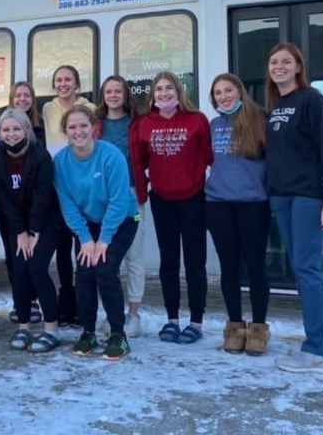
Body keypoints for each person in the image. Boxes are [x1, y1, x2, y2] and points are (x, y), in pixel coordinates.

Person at [265, 43, 323, 374]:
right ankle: (312, 343)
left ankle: (316, 351)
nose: (279, 66)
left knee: (308, 270)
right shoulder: (278, 104)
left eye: (286, 61)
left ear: (299, 67)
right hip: (282, 197)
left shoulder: (312, 100)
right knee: (301, 269)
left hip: (309, 197)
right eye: (274, 62)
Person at [130, 71, 212, 345]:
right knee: (168, 262)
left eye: (169, 88)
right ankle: (172, 319)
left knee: (194, 261)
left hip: (193, 199)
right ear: (153, 94)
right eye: (159, 89)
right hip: (162, 199)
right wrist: (142, 194)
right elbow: (138, 163)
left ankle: (196, 321)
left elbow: (208, 156)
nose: (164, 93)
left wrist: (198, 181)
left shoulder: (197, 120)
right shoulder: (144, 124)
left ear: (179, 91)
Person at [53, 104, 139, 360]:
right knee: (84, 272)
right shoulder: (61, 161)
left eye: (83, 125)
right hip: (89, 222)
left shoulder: (111, 155)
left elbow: (119, 200)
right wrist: (85, 238)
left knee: (104, 268)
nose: (78, 131)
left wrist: (103, 240)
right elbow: (67, 204)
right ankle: (88, 331)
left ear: (93, 128)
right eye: (72, 127)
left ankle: (118, 335)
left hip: (122, 219)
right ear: (66, 132)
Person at [205, 73, 271, 355]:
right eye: (218, 93)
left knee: (255, 267)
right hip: (218, 204)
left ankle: (258, 328)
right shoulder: (214, 124)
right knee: (228, 268)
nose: (223, 97)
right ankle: (234, 326)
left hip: (254, 203)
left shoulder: (260, 121)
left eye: (228, 90)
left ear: (240, 91)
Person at [0, 109, 62, 352]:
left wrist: (34, 231)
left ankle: (51, 329)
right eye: (5, 130)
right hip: (16, 222)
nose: (11, 134)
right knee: (18, 270)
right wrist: (21, 231)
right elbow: (3, 199)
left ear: (26, 130)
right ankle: (24, 326)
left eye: (16, 128)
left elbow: (43, 197)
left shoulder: (40, 156)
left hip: (45, 220)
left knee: (37, 267)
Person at [94, 75, 145, 339]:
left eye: (118, 91)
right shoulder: (96, 124)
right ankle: (111, 311)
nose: (113, 95)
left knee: (133, 256)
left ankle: (134, 314)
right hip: (102, 198)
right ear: (103, 96)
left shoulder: (137, 123)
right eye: (108, 91)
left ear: (126, 94)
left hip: (132, 193)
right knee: (107, 258)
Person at [40, 65, 88, 326]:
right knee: (62, 248)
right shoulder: (47, 109)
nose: (63, 84)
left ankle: (81, 301)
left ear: (77, 83)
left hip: (79, 185)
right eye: (58, 80)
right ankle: (65, 297)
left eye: (68, 79)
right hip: (57, 184)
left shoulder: (88, 108)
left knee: (81, 243)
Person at [9, 80, 45, 146]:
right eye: (18, 95)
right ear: (12, 99)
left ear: (33, 99)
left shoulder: (42, 124)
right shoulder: (1, 123)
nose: (22, 99)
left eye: (27, 95)